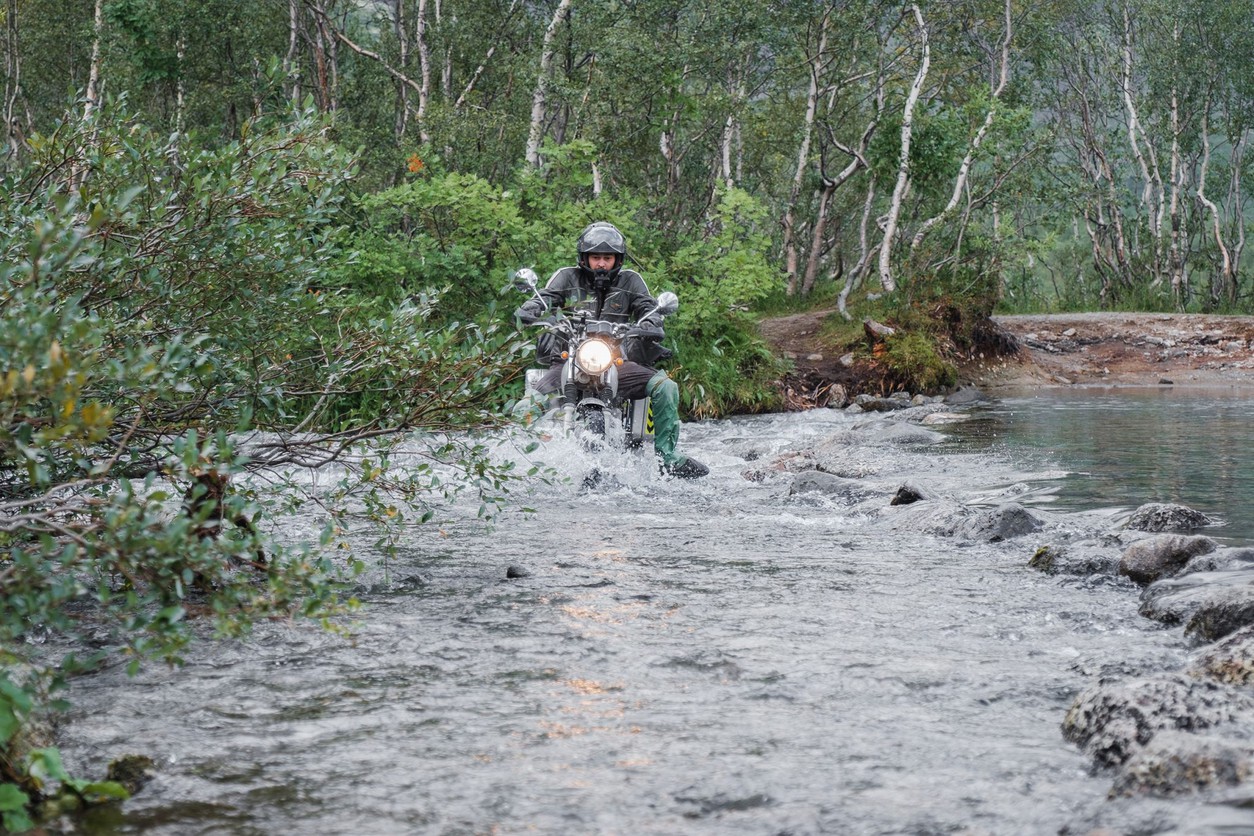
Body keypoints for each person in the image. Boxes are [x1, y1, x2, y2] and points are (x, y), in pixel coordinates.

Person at [514, 222, 709, 479]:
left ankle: (668, 458)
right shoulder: (567, 276)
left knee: (666, 387)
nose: (602, 264)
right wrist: (533, 308)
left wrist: (651, 321)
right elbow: (547, 296)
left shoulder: (631, 280)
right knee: (525, 407)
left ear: (617, 259)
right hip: (568, 361)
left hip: (616, 361)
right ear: (585, 258)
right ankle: (518, 464)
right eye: (596, 257)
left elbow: (647, 306)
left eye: (607, 258)